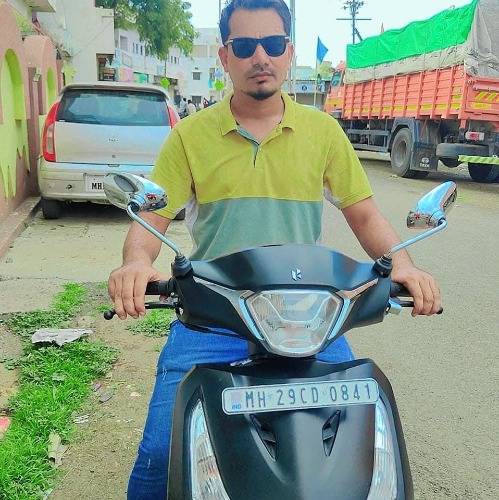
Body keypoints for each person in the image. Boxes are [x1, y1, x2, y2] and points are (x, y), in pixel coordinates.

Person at [108, 0, 441, 497]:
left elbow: (365, 215)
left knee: (361, 448)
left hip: (310, 321)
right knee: (162, 453)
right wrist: (136, 263)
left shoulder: (322, 132)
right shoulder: (190, 136)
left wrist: (405, 267)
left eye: (272, 44)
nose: (259, 56)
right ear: (225, 57)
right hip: (213, 320)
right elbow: (151, 219)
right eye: (244, 45)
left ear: (289, 52)